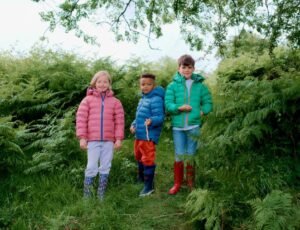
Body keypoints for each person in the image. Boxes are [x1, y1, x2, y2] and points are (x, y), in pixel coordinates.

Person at [165, 54, 213, 195]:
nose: (186, 70)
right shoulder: (172, 86)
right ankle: (178, 183)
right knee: (179, 154)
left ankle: (191, 182)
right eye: (183, 67)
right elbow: (168, 104)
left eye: (189, 67)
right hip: (178, 127)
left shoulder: (200, 86)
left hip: (193, 126)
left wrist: (203, 111)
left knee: (191, 154)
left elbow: (208, 102)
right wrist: (179, 108)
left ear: (193, 68)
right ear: (178, 68)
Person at [76, 70, 125, 199]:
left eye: (105, 81)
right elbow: (81, 120)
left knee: (105, 166)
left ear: (109, 84)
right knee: (91, 166)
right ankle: (87, 195)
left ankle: (101, 194)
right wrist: (82, 138)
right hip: (92, 140)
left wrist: (118, 139)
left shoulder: (115, 102)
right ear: (94, 83)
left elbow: (120, 122)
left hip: (109, 140)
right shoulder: (87, 100)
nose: (102, 84)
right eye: (99, 81)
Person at [130, 73, 165, 196]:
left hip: (148, 135)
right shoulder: (142, 99)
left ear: (154, 85)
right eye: (143, 84)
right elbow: (139, 116)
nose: (145, 87)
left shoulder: (156, 99)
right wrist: (133, 125)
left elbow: (160, 117)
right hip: (139, 134)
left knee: (147, 158)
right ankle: (141, 178)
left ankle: (149, 186)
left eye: (148, 84)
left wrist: (152, 121)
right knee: (138, 156)